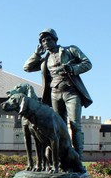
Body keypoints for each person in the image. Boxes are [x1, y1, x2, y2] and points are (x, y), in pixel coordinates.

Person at [23, 28, 92, 162]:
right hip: (54, 94)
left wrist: (72, 69)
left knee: (75, 125)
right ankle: (59, 159)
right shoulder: (44, 60)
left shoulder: (70, 50)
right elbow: (27, 68)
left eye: (48, 39)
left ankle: (77, 159)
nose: (46, 42)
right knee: (57, 127)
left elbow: (87, 63)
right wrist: (36, 54)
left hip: (71, 92)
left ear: (55, 40)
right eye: (43, 41)